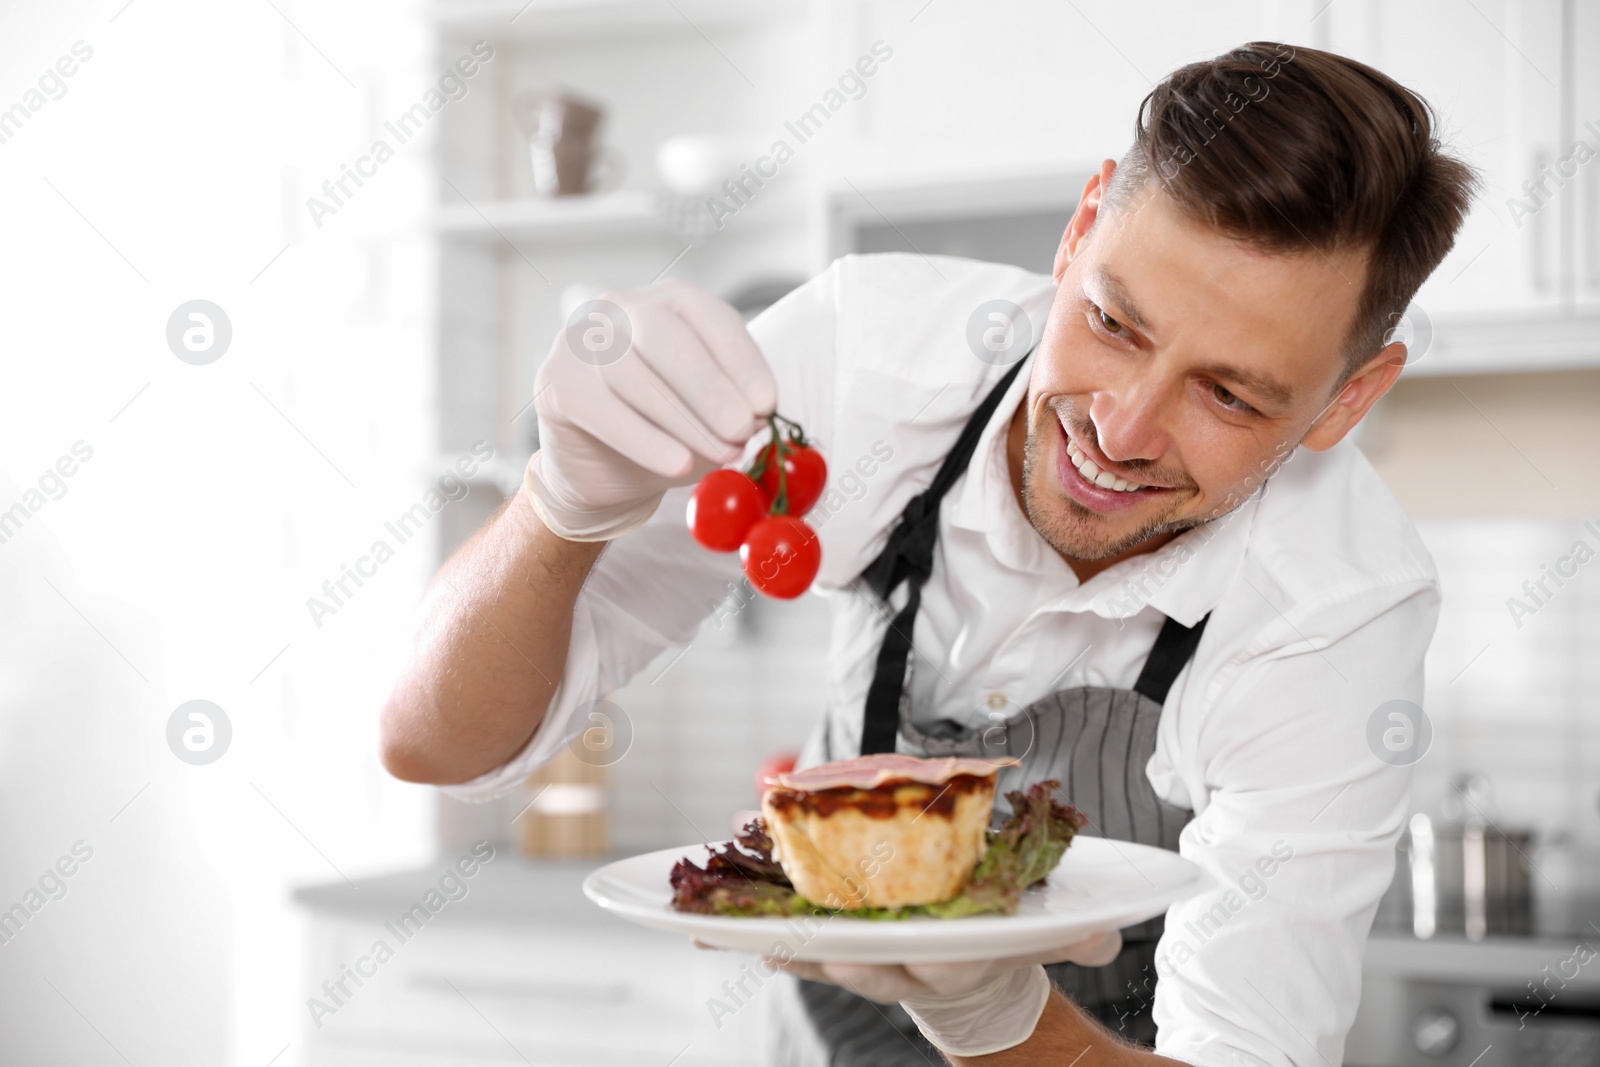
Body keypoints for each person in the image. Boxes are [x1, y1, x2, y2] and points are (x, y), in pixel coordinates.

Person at [379, 41, 1477, 1067]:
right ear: (1081, 226)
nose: (1122, 427)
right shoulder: (867, 364)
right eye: (1111, 321)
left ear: (1348, 399)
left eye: (1228, 393)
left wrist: (992, 1012)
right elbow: (434, 744)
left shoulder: (1336, 604)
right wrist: (556, 505)